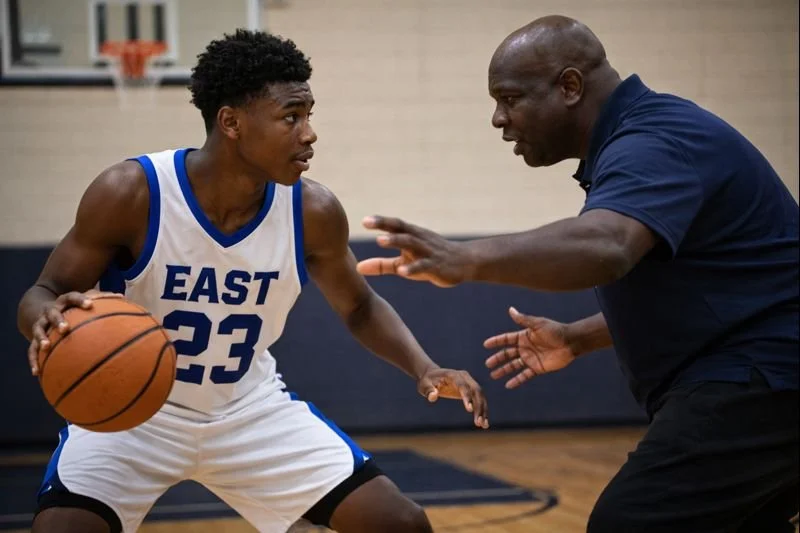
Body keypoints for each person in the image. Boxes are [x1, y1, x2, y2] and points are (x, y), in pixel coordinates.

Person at [17, 29, 490, 533]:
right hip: (131, 415)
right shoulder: (133, 193)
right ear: (231, 122)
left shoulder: (312, 211)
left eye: (309, 115)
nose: (309, 133)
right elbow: (42, 293)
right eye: (291, 117)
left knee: (401, 523)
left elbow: (360, 306)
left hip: (247, 410)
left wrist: (423, 367)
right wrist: (44, 319)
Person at [356, 15, 799, 533]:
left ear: (569, 86)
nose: (498, 119)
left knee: (629, 522)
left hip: (762, 379)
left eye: (510, 99)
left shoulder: (653, 141)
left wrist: (465, 258)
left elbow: (607, 245)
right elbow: (715, 290)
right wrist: (578, 337)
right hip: (764, 374)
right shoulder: (645, 138)